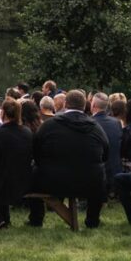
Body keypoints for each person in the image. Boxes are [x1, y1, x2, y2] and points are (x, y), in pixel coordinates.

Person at [28, 90, 108, 229]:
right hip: (88, 181)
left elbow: (35, 151)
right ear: (85, 106)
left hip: (52, 180)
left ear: (65, 104)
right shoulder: (95, 127)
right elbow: (105, 153)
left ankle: (36, 219)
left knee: (32, 174)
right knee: (100, 174)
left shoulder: (48, 125)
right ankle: (92, 221)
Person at [0, 98, 33, 229]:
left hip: (3, 184)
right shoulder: (27, 133)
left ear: (3, 113)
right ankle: (5, 219)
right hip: (23, 181)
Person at [90, 92, 122, 192]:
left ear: (93, 105)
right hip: (115, 171)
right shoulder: (116, 123)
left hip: (96, 174)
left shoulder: (89, 123)